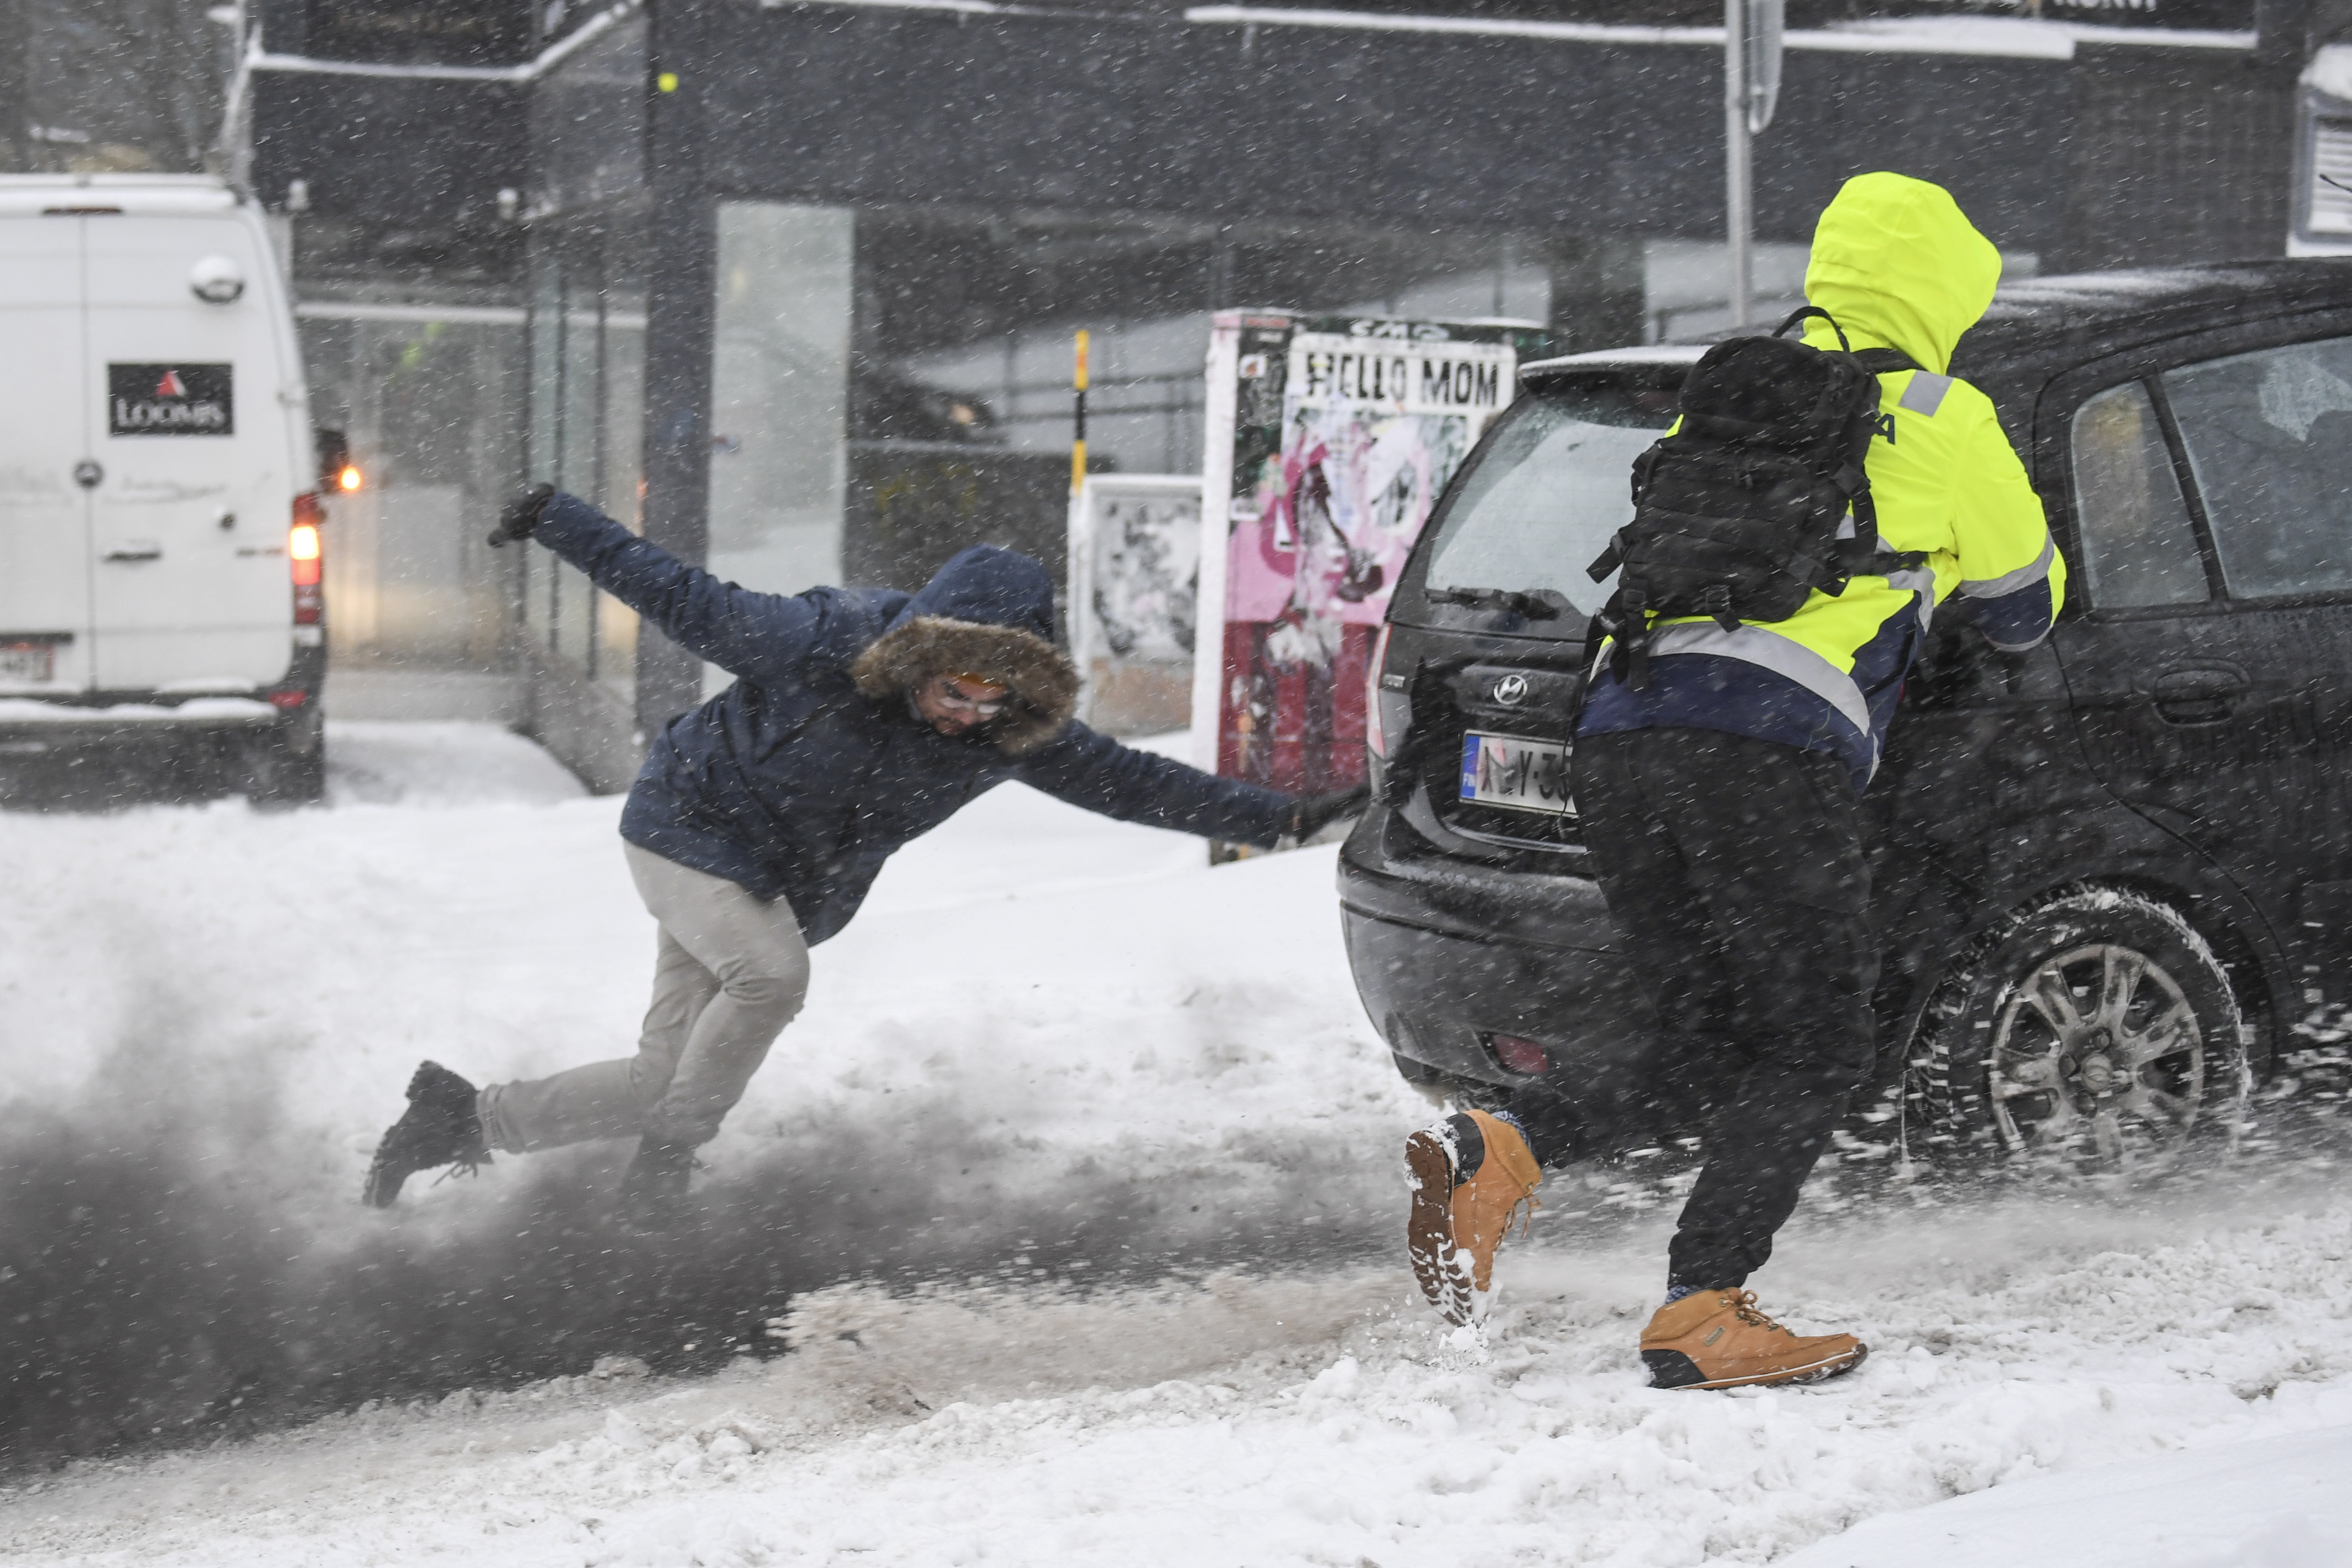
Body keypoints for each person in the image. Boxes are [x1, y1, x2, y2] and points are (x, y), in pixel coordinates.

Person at [1402, 173, 2065, 1389]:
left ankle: (1501, 1144)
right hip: (1761, 750)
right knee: (1818, 1039)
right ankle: (1704, 1304)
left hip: (1621, 729)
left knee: (1716, 1035)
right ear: (1943, 293)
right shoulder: (1938, 408)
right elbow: (2024, 606)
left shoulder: (1723, 392)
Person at [364, 486, 1364, 1222]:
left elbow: (1139, 783)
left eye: (994, 701)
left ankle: (462, 1118)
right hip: (687, 826)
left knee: (661, 1072)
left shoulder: (1013, 735)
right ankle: (664, 1171)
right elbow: (685, 597)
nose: (969, 714)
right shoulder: (817, 641)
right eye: (955, 689)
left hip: (778, 883)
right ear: (921, 656)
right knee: (769, 981)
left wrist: (1279, 820)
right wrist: (555, 516)